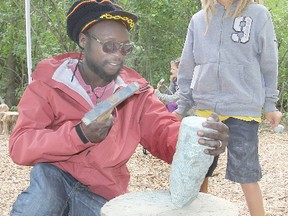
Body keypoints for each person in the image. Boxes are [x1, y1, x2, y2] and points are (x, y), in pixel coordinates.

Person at [9, 1, 229, 216]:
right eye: (109, 46)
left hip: (103, 197)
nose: (118, 55)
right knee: (43, 196)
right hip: (55, 183)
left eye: (125, 48)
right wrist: (79, 135)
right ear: (84, 41)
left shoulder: (136, 92)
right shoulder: (49, 82)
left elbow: (165, 134)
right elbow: (20, 145)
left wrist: (202, 143)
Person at [174, 0, 282, 215]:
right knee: (200, 169)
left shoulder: (259, 15)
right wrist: (181, 106)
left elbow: (269, 61)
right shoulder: (198, 19)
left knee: (247, 172)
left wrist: (271, 103)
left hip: (243, 107)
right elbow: (187, 65)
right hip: (205, 108)